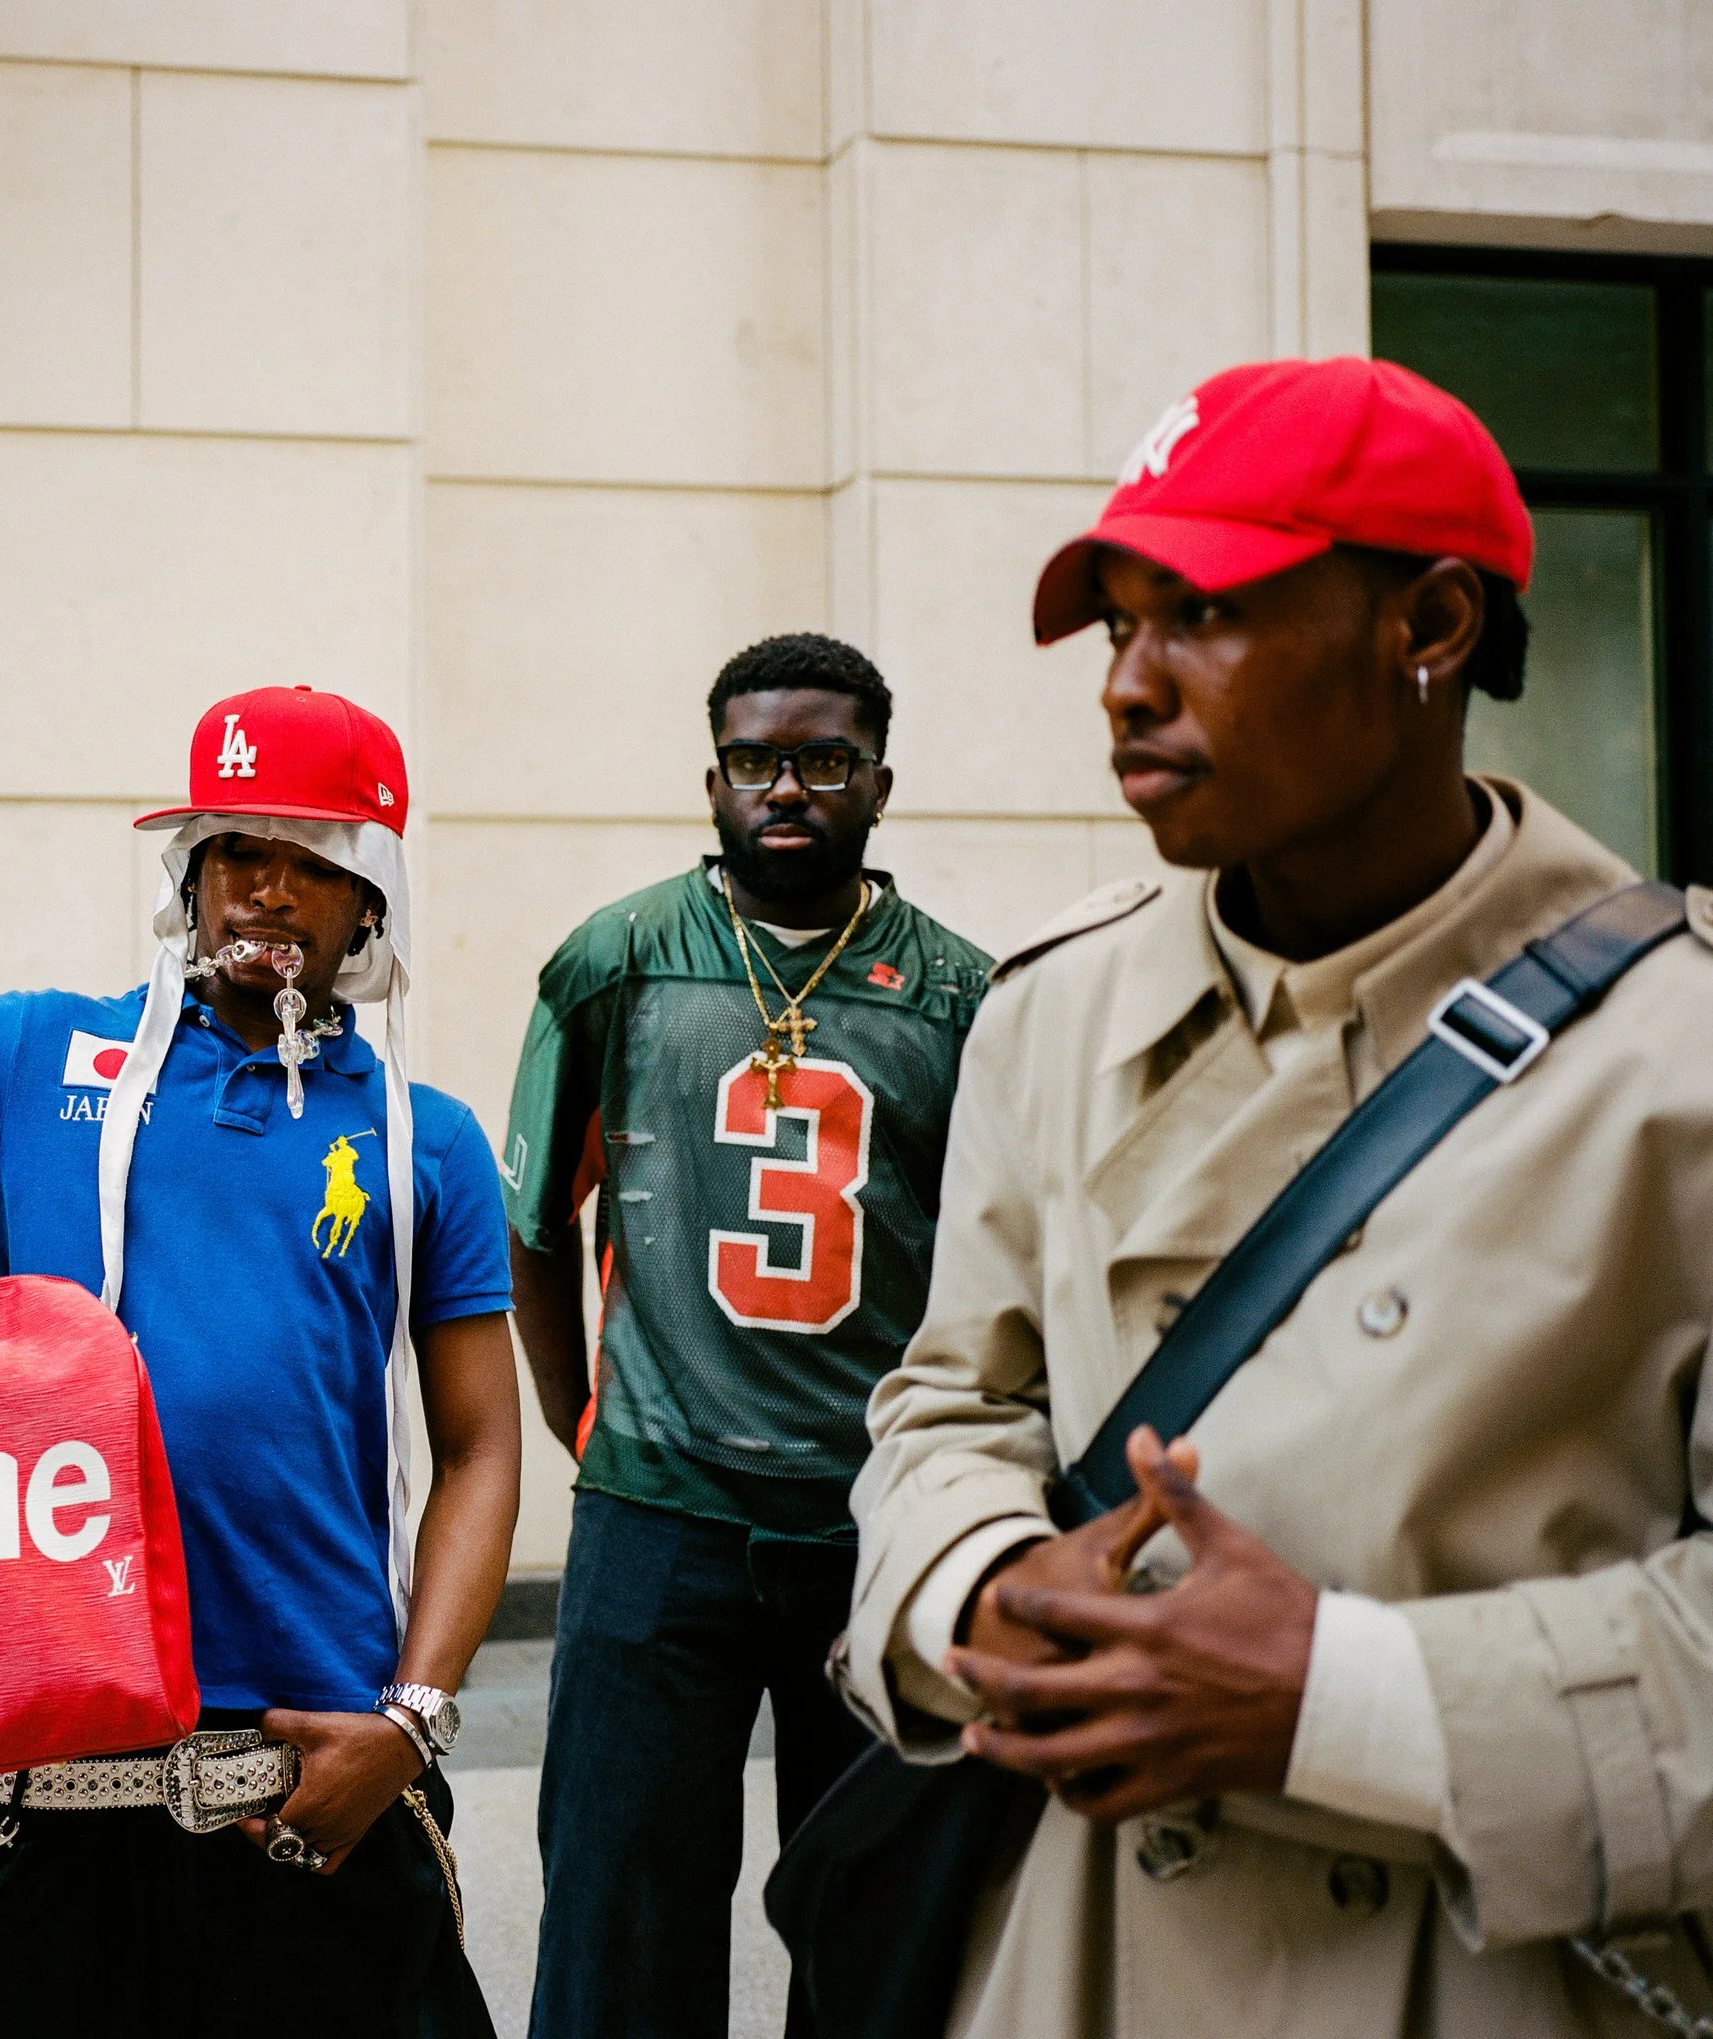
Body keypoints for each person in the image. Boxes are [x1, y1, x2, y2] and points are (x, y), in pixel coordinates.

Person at [838, 355, 1713, 2035]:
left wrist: (1354, 1703)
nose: (1129, 687)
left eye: (1207, 614)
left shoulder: (1679, 1056)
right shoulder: (1050, 1011)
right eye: (1115, 625)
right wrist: (984, 1591)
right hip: (1074, 1966)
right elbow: (947, 1404)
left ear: (1431, 626)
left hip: (1498, 1973)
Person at [0, 685, 522, 2037]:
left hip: (315, 1770)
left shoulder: (427, 1140)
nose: (269, 889)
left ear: (371, 900)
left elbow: (485, 1445)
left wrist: (413, 1722)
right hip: (47, 1777)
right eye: (238, 850)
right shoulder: (29, 1050)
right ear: (188, 871)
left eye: (316, 861)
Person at [505, 633, 992, 2039]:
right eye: (756, 760)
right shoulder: (618, 960)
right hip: (659, 1514)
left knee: (884, 1931)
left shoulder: (964, 994)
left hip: (874, 1519)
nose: (787, 788)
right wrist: (583, 1419)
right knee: (620, 1924)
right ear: (711, 777)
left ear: (880, 780)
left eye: (824, 759)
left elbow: (993, 1269)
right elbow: (535, 1221)